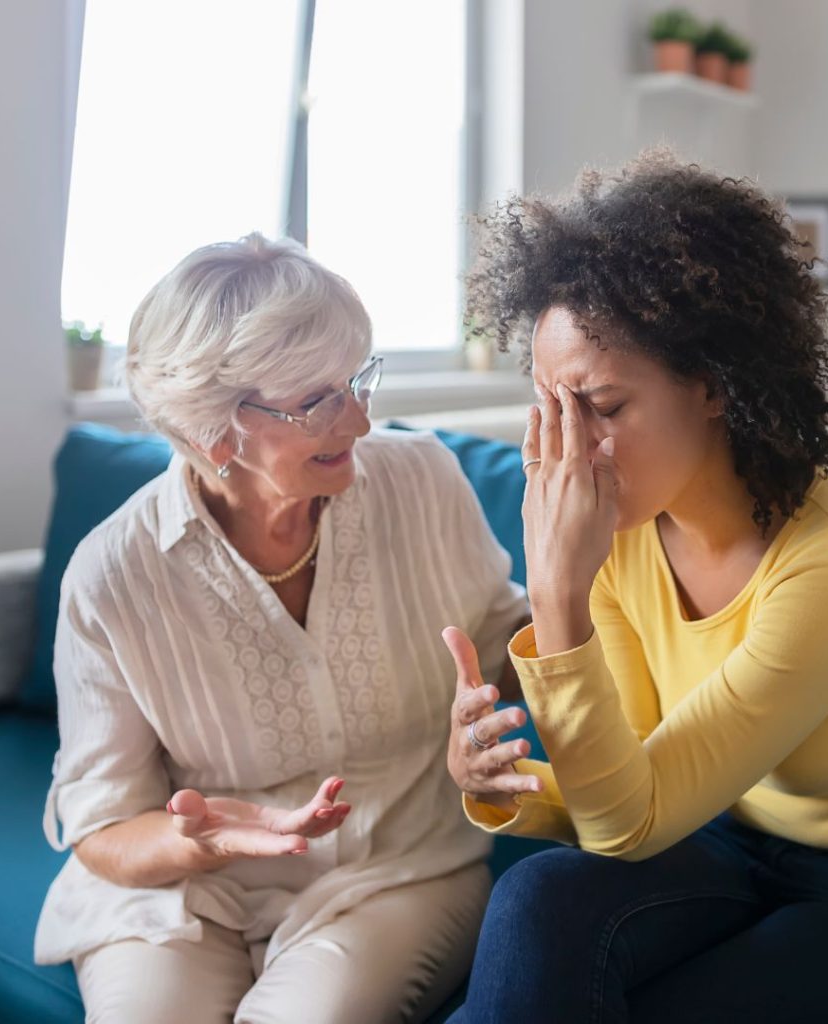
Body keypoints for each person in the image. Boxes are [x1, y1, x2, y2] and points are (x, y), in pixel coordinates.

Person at [441, 152, 828, 1022]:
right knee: (542, 901)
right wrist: (509, 786)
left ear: (714, 385)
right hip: (727, 840)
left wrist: (556, 596)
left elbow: (630, 821)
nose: (568, 450)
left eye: (603, 408)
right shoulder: (626, 533)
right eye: (551, 406)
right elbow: (639, 784)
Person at [35, 233, 529, 1024]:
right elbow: (104, 828)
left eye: (356, 381)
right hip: (183, 894)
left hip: (398, 868)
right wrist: (202, 842)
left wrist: (494, 698)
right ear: (211, 431)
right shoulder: (114, 576)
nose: (360, 421)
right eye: (318, 401)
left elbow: (507, 644)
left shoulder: (424, 481)